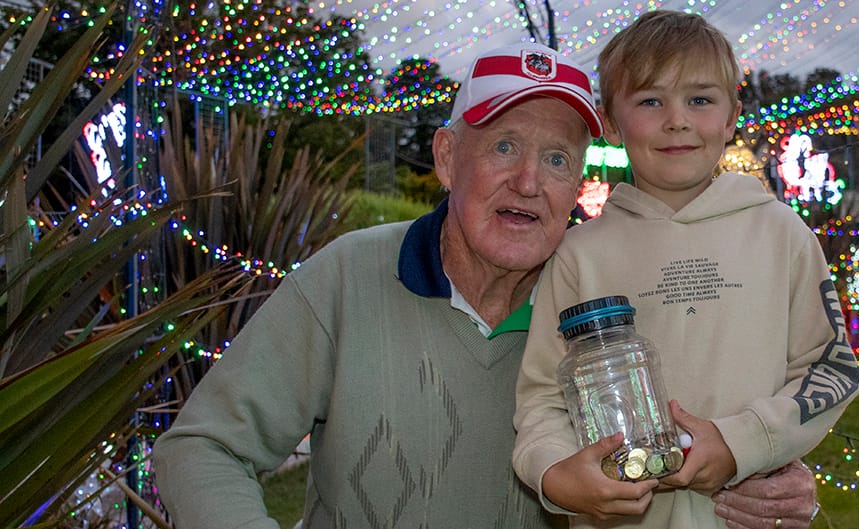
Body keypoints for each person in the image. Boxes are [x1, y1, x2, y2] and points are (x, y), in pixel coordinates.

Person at [152, 42, 822, 529]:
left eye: (557, 158)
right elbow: (203, 447)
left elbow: (705, 425)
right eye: (503, 146)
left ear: (578, 181)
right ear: (448, 157)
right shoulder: (349, 277)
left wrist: (766, 473)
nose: (528, 181)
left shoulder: (606, 296)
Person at [512, 11, 859, 529]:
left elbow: (830, 370)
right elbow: (542, 397)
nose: (677, 119)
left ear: (731, 116)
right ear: (611, 119)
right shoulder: (579, 255)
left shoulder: (782, 234)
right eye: (650, 101)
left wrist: (742, 442)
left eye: (699, 99)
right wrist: (560, 476)